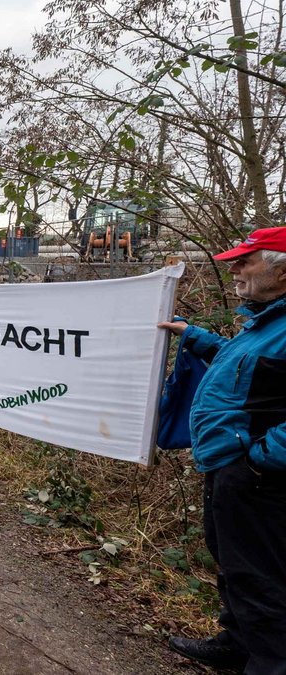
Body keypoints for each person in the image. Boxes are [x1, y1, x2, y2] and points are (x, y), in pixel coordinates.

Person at [158, 227, 286, 674]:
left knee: (260, 576)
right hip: (231, 468)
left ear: (283, 273)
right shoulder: (267, 321)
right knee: (233, 563)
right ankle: (238, 644)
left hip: (261, 477)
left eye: (245, 262)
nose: (233, 269)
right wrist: (193, 335)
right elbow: (242, 364)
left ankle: (269, 663)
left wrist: (258, 459)